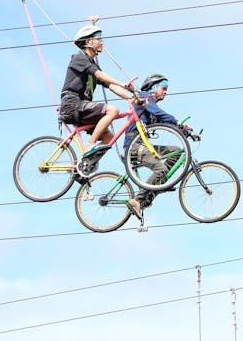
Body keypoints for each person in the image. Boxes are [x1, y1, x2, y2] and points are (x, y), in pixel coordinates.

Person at [59, 16, 134, 161]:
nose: (102, 42)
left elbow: (110, 86)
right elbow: (100, 75)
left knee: (109, 137)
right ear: (88, 42)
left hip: (81, 107)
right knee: (113, 110)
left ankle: (87, 165)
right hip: (72, 104)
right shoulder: (79, 58)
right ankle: (90, 145)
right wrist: (123, 83)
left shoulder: (92, 63)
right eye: (99, 39)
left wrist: (130, 97)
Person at [123, 74, 190, 216]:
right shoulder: (144, 97)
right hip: (134, 146)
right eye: (164, 88)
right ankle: (137, 199)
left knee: (177, 151)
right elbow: (161, 115)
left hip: (145, 145)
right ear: (153, 87)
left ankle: (155, 188)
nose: (166, 92)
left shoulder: (152, 108)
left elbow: (164, 122)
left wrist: (183, 130)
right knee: (161, 169)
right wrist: (176, 121)